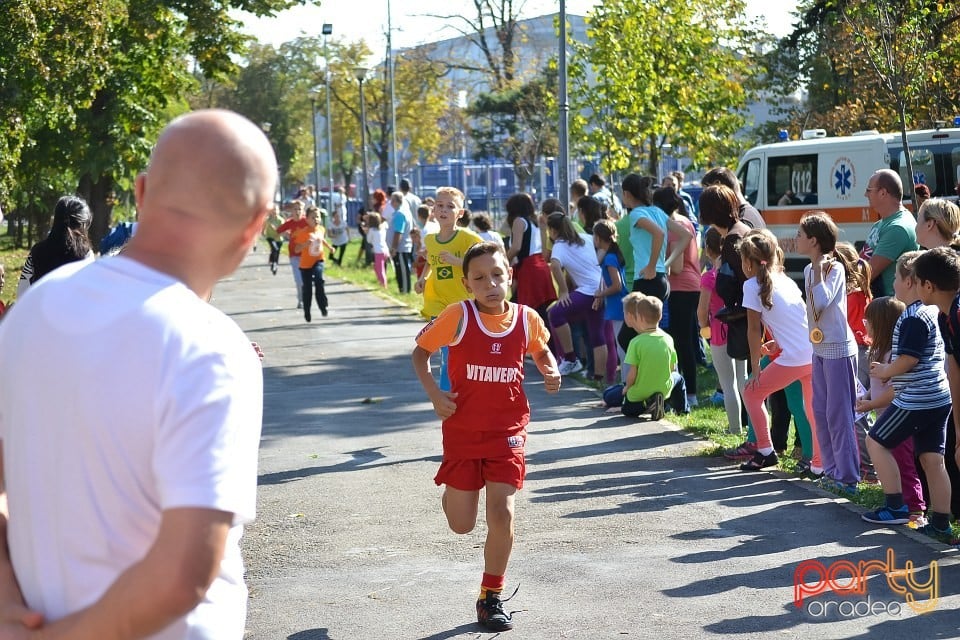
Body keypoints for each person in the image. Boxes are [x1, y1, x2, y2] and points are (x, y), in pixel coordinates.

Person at [0, 109, 273, 638]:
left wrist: (6, 593)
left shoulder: (35, 308)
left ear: (142, 192)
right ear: (256, 225)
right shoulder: (214, 347)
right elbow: (182, 576)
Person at [412, 242, 561, 632]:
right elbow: (420, 352)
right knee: (461, 524)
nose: (490, 284)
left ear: (509, 275)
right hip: (462, 431)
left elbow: (541, 349)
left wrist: (550, 368)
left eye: (497, 275)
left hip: (507, 431)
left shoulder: (527, 318)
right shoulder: (457, 316)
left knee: (502, 510)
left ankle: (490, 596)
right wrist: (434, 393)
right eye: (479, 278)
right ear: (467, 284)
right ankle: (454, 493)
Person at [862, 249, 957, 544]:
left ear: (912, 282)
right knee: (932, 459)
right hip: (939, 397)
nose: (892, 288)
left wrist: (886, 371)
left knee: (875, 441)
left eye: (895, 282)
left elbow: (909, 359)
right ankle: (941, 521)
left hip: (917, 399)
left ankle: (895, 505)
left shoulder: (913, 316)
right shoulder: (935, 311)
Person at [737, 229, 822, 473]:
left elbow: (753, 330)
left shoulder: (752, 285)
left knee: (751, 393)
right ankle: (819, 464)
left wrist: (755, 367)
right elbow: (796, 321)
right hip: (812, 352)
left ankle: (765, 450)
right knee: (811, 408)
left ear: (748, 263)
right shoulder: (786, 280)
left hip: (795, 356)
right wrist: (777, 343)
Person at [797, 213, 860, 493]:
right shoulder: (811, 269)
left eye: (801, 235)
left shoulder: (832, 269)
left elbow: (820, 303)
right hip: (819, 348)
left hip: (838, 351)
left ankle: (848, 478)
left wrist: (819, 271)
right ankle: (832, 471)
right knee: (820, 411)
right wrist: (814, 270)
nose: (796, 240)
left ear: (813, 240)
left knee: (839, 413)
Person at [855, 296, 928, 526]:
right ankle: (896, 500)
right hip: (885, 417)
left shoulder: (892, 357)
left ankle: (915, 509)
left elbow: (895, 390)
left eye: (869, 321)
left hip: (898, 418)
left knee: (903, 462)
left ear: (883, 324)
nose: (865, 324)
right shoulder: (878, 352)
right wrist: (866, 396)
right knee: (891, 458)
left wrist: (871, 404)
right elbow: (878, 386)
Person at [415, 187, 482, 391]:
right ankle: (448, 392)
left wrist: (456, 261)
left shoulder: (467, 238)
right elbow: (431, 261)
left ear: (460, 213)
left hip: (462, 303)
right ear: (433, 210)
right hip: (437, 303)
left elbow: (482, 263)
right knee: (447, 350)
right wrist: (422, 278)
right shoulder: (430, 240)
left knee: (462, 350)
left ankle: (467, 387)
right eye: (439, 206)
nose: (443, 210)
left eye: (450, 207)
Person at [617, 174, 693, 352]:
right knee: (645, 334)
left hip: (646, 280)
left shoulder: (636, 214)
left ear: (627, 194)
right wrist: (666, 263)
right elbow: (686, 236)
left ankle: (650, 371)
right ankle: (649, 373)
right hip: (660, 281)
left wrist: (652, 265)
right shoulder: (657, 212)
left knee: (626, 337)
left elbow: (658, 233)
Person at [545, 212, 609, 379]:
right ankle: (599, 378)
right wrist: (598, 265)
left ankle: (571, 358)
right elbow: (603, 247)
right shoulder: (586, 238)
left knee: (556, 314)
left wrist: (564, 290)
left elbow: (554, 265)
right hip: (601, 288)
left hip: (588, 290)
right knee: (597, 334)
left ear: (552, 230)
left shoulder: (559, 245)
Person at [655, 186, 700, 408]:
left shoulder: (674, 227)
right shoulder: (685, 220)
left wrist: (659, 262)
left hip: (681, 287)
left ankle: (688, 392)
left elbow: (678, 266)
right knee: (686, 341)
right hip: (692, 285)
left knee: (681, 342)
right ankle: (686, 390)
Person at [834, 242, 875, 482]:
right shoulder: (862, 288)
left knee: (858, 410)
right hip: (865, 350)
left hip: (856, 352)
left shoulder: (848, 294)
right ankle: (867, 463)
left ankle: (868, 467)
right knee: (861, 408)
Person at [620, 292, 688, 418]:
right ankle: (683, 411)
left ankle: (647, 405)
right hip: (663, 389)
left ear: (638, 317)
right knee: (679, 379)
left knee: (628, 410)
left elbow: (632, 373)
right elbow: (673, 368)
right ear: (661, 316)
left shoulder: (635, 342)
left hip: (639, 392)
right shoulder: (668, 339)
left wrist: (627, 388)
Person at [17, 195, 94, 298]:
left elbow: (22, 292)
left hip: (36, 312)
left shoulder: (37, 251)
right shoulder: (86, 256)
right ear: (84, 224)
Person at [858, 169, 918, 297]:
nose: (865, 194)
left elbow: (866, 275)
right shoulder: (880, 224)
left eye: (869, 190)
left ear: (883, 193)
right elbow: (861, 262)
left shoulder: (898, 227)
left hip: (891, 309)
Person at [504, 193, 556, 325]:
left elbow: (516, 247)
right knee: (539, 313)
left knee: (520, 313)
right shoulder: (535, 223)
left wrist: (502, 262)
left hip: (529, 270)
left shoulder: (519, 221)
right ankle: (549, 343)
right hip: (540, 267)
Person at [593, 219, 628, 382]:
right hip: (616, 306)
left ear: (599, 238)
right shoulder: (611, 255)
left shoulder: (609, 259)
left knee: (622, 349)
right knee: (621, 347)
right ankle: (624, 382)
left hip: (618, 307)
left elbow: (617, 285)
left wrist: (600, 294)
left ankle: (626, 383)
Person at [290, 206, 333, 322]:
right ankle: (307, 311)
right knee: (307, 289)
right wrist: (305, 244)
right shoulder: (303, 233)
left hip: (318, 260)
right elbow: (297, 249)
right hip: (305, 265)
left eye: (318, 217)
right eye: (313, 217)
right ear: (307, 219)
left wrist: (329, 248)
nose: (316, 219)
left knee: (319, 280)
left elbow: (322, 240)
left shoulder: (321, 229)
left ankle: (323, 305)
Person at [700, 167, 765, 230]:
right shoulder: (752, 212)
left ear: (718, 186)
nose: (707, 199)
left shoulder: (741, 223)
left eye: (708, 192)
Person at [277, 200, 308, 308]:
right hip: (294, 255)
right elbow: (279, 230)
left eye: (300, 209)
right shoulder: (290, 222)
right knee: (299, 280)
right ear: (292, 211)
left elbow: (316, 229)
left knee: (305, 280)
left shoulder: (306, 221)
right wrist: (286, 234)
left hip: (306, 255)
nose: (297, 211)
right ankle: (301, 300)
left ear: (303, 211)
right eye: (295, 209)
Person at [388, 191, 415, 294]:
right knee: (399, 269)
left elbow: (398, 232)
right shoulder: (402, 212)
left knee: (403, 270)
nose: (390, 203)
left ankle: (405, 290)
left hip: (401, 247)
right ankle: (402, 289)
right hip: (401, 247)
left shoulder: (400, 214)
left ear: (397, 201)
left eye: (392, 200)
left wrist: (394, 248)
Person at [365, 211, 389, 288]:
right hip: (385, 250)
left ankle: (383, 285)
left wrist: (367, 232)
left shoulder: (372, 230)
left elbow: (369, 240)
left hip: (378, 252)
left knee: (379, 269)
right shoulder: (382, 228)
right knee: (377, 267)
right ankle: (381, 283)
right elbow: (386, 224)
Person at [262, 205, 285, 274]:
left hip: (279, 238)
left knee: (276, 252)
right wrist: (263, 232)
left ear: (278, 211)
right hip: (270, 237)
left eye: (276, 210)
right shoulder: (268, 220)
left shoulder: (281, 220)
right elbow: (264, 228)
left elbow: (282, 230)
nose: (274, 211)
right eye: (273, 210)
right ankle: (273, 263)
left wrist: (276, 231)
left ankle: (274, 263)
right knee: (275, 249)